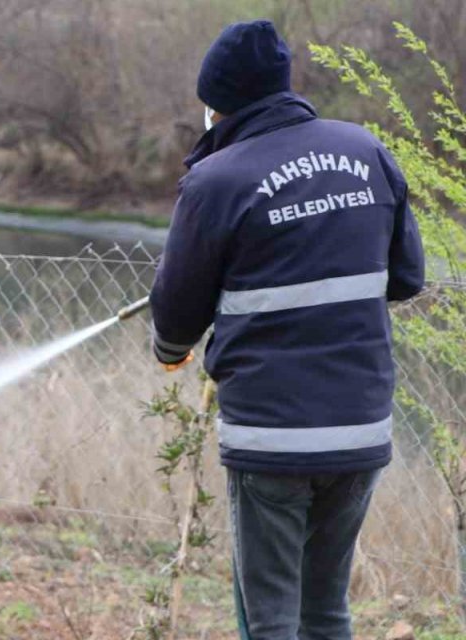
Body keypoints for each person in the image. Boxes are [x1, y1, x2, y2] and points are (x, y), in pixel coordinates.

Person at [149, 19, 425, 640]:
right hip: (360, 429)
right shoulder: (367, 151)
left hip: (273, 439)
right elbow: (407, 279)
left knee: (270, 619)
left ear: (216, 102)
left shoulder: (216, 180)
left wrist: (170, 352)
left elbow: (176, 315)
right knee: (326, 612)